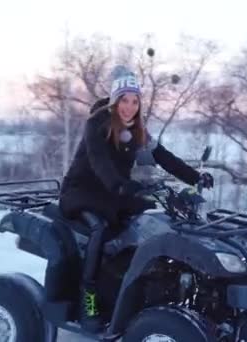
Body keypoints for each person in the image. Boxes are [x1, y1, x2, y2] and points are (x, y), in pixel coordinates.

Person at [58, 65, 214, 331]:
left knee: (152, 217)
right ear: (115, 100)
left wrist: (194, 178)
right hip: (83, 191)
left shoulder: (138, 129)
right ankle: (90, 297)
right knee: (99, 229)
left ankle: (133, 289)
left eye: (134, 101)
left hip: (115, 192)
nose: (129, 107)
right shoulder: (97, 124)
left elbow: (164, 157)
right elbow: (100, 162)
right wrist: (120, 185)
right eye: (124, 100)